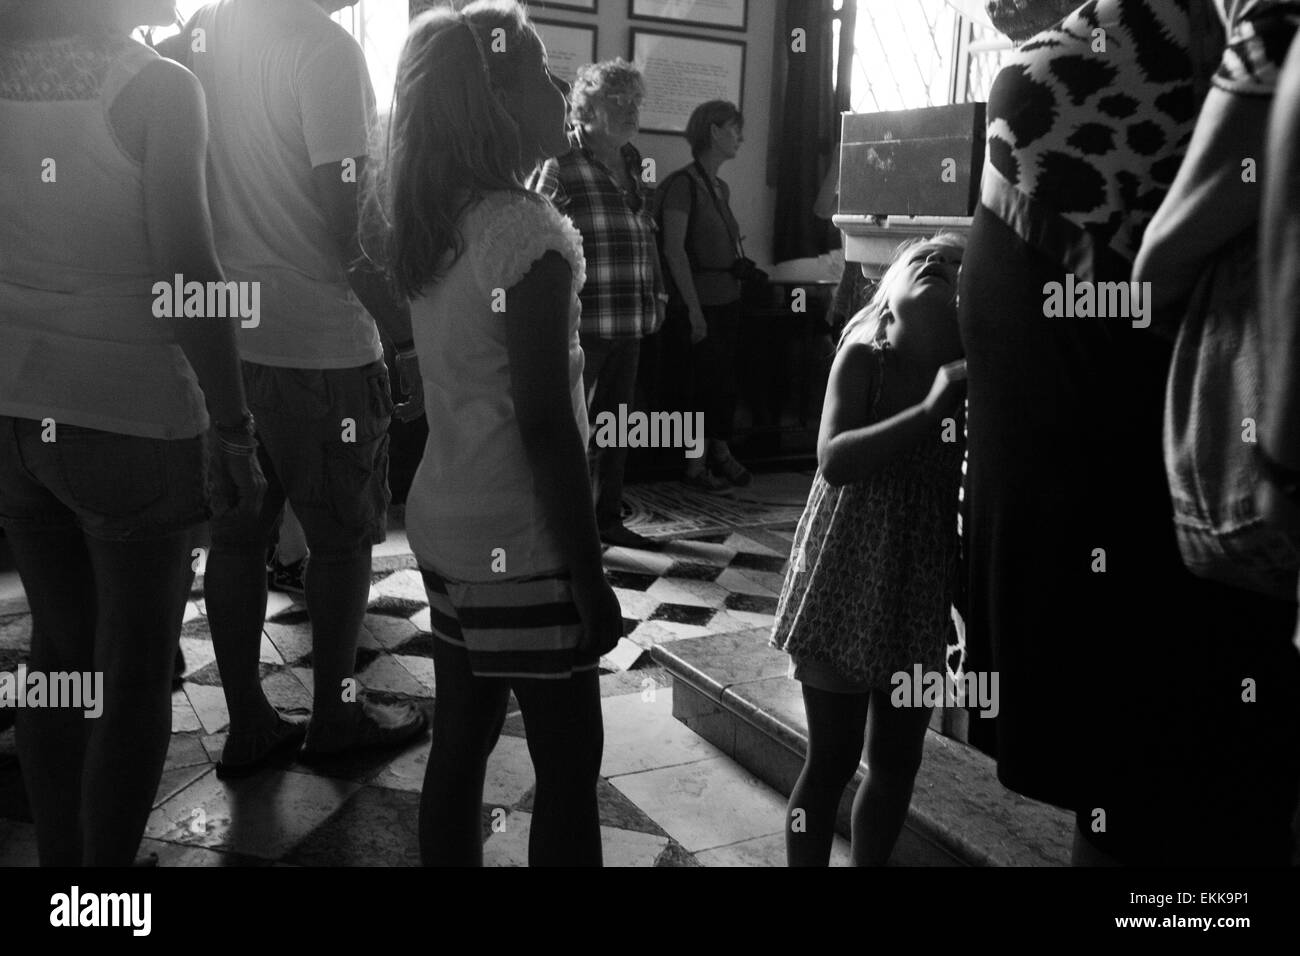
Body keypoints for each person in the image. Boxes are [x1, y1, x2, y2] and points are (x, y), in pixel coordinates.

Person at [960, 0, 1300, 865]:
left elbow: (1276, 80)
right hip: (1091, 469)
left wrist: (1157, 265)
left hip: (1145, 464)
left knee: (1167, 788)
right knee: (1132, 795)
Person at [0, 0, 263, 865]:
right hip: (127, 413)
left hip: (12, 408)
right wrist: (232, 423)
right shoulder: (155, 88)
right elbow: (189, 273)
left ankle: (63, 881)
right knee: (136, 671)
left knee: (61, 649)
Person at [370, 0, 622, 866]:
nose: (559, 87)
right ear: (498, 103)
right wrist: (588, 578)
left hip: (446, 525)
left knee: (460, 746)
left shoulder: (441, 221)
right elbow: (549, 425)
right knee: (566, 770)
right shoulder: (527, 235)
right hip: (526, 542)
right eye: (542, 68)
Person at [160, 0, 428, 777]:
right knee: (342, 542)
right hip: (318, 340)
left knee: (238, 540)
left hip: (222, 340)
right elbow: (344, 222)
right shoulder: (324, 49)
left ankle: (248, 721)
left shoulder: (205, 34)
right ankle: (336, 714)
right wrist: (404, 334)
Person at [771, 235, 968, 867]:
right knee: (829, 759)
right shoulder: (864, 360)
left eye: (959, 267)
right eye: (925, 259)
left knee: (898, 762)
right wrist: (931, 408)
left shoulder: (972, 386)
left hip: (914, 593)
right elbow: (834, 460)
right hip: (843, 583)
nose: (941, 264)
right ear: (888, 293)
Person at [531, 59, 665, 551]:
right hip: (581, 319)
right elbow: (534, 234)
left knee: (619, 426)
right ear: (585, 108)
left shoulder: (636, 163)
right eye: (617, 101)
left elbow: (645, 232)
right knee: (573, 428)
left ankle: (607, 517)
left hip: (631, 314)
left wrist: (660, 292)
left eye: (636, 101)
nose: (630, 111)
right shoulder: (558, 161)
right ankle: (564, 527)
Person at [660, 100, 753, 492]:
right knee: (699, 386)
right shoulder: (682, 185)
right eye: (733, 129)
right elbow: (673, 250)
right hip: (698, 304)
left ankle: (719, 451)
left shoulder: (720, 186)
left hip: (726, 300)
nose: (740, 137)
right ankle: (695, 465)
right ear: (713, 132)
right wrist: (694, 312)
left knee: (722, 384)